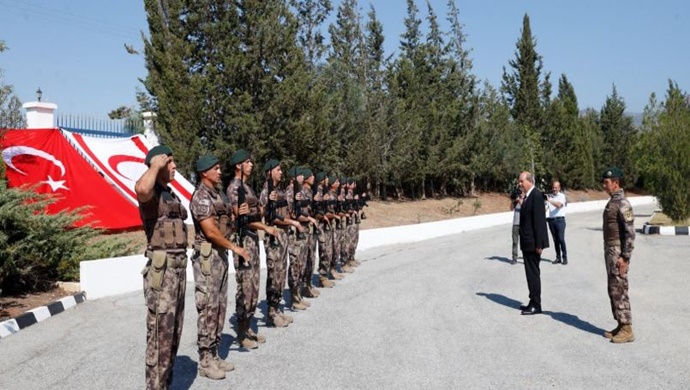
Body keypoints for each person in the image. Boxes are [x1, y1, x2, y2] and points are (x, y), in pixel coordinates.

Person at [189, 155, 250, 380]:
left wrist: (237, 214)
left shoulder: (218, 194)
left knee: (220, 306)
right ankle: (205, 361)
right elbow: (211, 232)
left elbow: (227, 221)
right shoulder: (201, 196)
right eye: (215, 168)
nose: (219, 171)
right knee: (208, 307)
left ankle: (214, 355)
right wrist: (236, 248)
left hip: (219, 255)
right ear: (204, 172)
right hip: (208, 257)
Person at [135, 145, 188, 390]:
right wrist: (155, 164)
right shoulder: (151, 194)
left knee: (173, 335)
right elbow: (141, 189)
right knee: (159, 337)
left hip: (178, 272)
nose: (174, 166)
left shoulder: (171, 195)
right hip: (162, 274)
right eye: (170, 162)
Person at [225, 149, 279, 349]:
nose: (251, 165)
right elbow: (238, 219)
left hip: (252, 241)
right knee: (245, 286)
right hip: (243, 242)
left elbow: (257, 214)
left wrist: (268, 205)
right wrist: (264, 227)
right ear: (238, 165)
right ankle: (241, 331)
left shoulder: (247, 188)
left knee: (254, 286)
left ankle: (247, 326)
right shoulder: (233, 189)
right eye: (247, 162)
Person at [258, 158, 302, 327]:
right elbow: (267, 216)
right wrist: (291, 222)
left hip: (282, 237)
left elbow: (288, 212)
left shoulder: (279, 191)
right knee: (274, 275)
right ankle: (271, 312)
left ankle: (276, 309)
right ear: (270, 172)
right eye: (278, 169)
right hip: (274, 238)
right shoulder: (265, 192)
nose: (281, 172)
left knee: (281, 274)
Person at [601, 167, 636, 343]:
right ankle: (620, 324)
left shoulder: (622, 203)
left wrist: (625, 257)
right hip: (610, 251)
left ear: (616, 183)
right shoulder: (612, 201)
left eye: (607, 182)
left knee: (620, 288)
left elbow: (630, 233)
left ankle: (627, 328)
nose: (604, 184)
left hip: (617, 253)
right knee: (613, 288)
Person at [517, 171, 550, 315]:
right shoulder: (528, 196)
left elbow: (540, 222)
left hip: (532, 244)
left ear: (529, 181)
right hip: (527, 242)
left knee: (533, 274)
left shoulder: (536, 196)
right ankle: (532, 301)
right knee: (530, 274)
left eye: (521, 181)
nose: (519, 184)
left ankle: (536, 305)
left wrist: (539, 244)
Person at [546, 181, 568, 264]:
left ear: (559, 188)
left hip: (560, 221)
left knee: (561, 239)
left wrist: (549, 200)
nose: (554, 189)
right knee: (555, 240)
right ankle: (558, 257)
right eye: (553, 187)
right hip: (551, 221)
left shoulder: (562, 196)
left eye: (556, 187)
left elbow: (559, 205)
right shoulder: (550, 197)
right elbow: (546, 208)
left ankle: (564, 257)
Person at [510, 187, 524, 264]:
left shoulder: (526, 198)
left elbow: (525, 208)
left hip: (523, 224)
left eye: (521, 190)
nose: (520, 192)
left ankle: (526, 257)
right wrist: (513, 201)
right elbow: (511, 209)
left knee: (524, 242)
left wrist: (520, 200)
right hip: (515, 223)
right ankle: (514, 257)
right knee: (515, 242)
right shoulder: (516, 200)